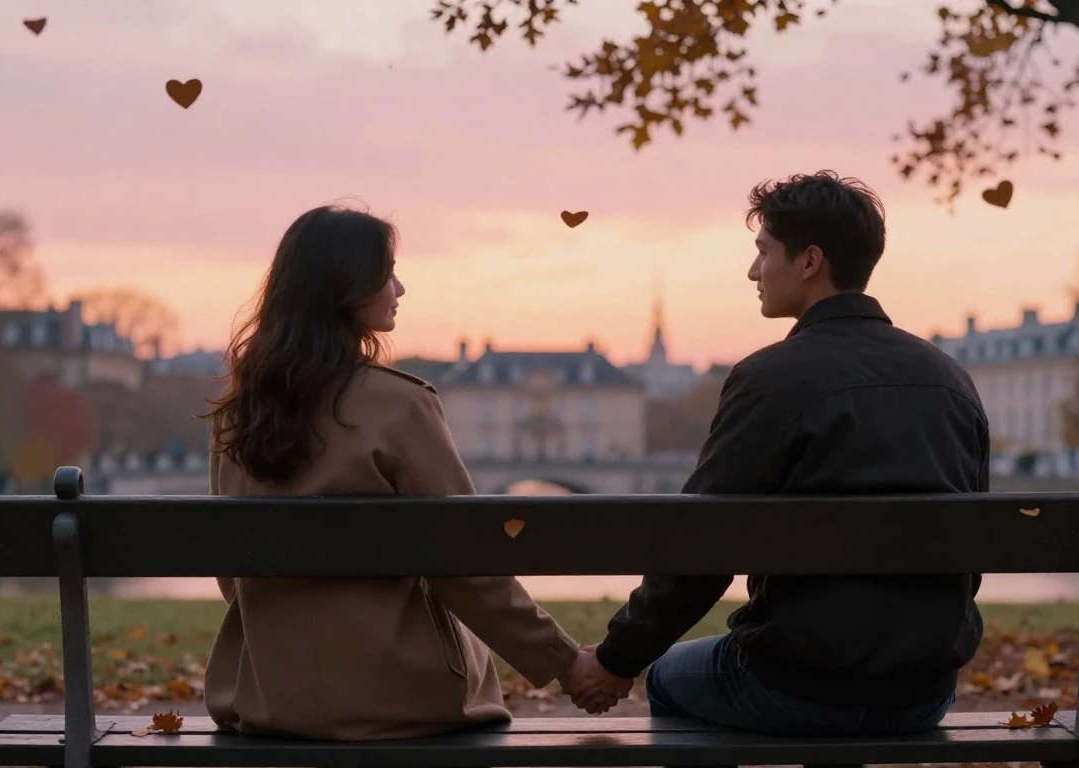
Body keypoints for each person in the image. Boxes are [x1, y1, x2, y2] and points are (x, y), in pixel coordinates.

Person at [568, 171, 990, 740]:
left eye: (763, 252)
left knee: (668, 677)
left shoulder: (770, 379)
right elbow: (974, 548)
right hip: (924, 690)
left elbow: (701, 545)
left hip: (798, 686)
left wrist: (616, 660)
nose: (752, 271)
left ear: (809, 261)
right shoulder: (950, 379)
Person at [200, 204, 615, 741]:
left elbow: (232, 574)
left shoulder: (237, 412)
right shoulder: (399, 406)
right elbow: (467, 566)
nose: (400, 288)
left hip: (265, 692)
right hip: (398, 695)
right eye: (388, 272)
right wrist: (564, 661)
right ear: (349, 287)